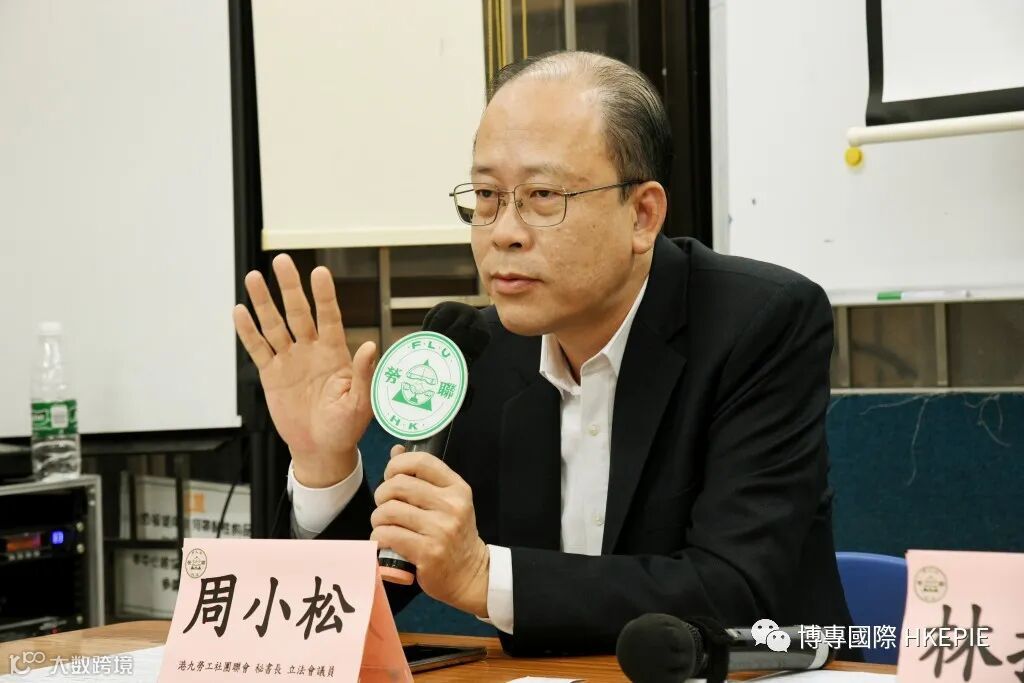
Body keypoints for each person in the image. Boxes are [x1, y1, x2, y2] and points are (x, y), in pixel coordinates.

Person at [233, 51, 854, 656]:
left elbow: (735, 592)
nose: (503, 232)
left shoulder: (758, 323)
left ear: (643, 215)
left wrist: (485, 577)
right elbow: (364, 602)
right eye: (486, 195)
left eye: (543, 196)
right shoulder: (475, 351)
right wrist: (323, 466)